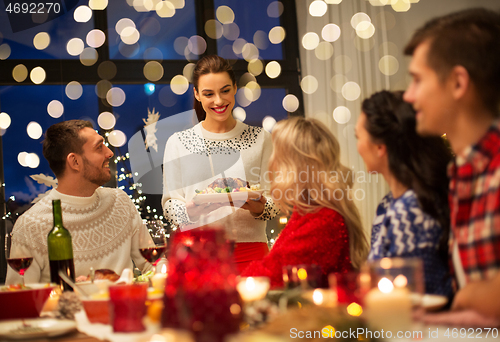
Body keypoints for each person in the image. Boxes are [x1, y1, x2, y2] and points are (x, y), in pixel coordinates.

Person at [403, 8, 500, 318]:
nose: (408, 95)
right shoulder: (462, 172)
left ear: (458, 83)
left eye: (417, 80)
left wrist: (478, 294)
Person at [162, 55, 279, 272]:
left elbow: (275, 202)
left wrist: (259, 207)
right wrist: (190, 212)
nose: (218, 101)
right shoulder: (178, 143)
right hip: (197, 252)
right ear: (197, 94)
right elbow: (170, 206)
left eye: (225, 91)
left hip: (251, 252)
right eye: (208, 94)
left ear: (235, 88)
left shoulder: (261, 138)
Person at [6, 120, 152, 285]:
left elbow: (152, 266)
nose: (110, 153)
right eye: (99, 147)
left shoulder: (120, 201)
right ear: (75, 162)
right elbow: (22, 300)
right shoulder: (30, 226)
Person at [241, 117, 369, 288]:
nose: (271, 164)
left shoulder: (324, 220)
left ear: (294, 166)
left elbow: (271, 275)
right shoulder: (309, 211)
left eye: (277, 155)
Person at [355, 90, 452, 297]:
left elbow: (418, 298)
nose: (357, 147)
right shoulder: (387, 205)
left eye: (358, 137)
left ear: (380, 147)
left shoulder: (412, 210)